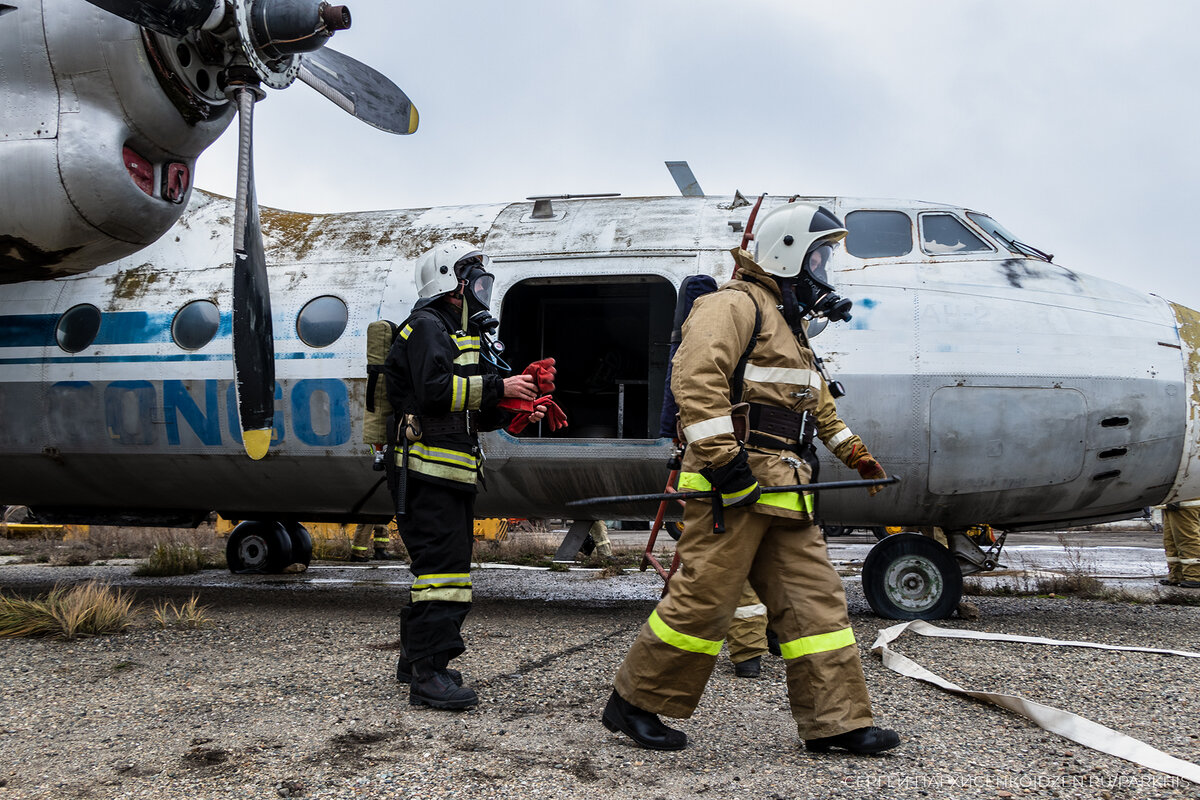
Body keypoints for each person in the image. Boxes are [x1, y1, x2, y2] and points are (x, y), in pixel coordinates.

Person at [601, 202, 900, 754]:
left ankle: (836, 722)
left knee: (817, 605)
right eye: (819, 259)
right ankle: (635, 702)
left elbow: (817, 408)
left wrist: (856, 454)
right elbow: (696, 385)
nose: (824, 273)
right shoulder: (732, 305)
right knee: (705, 601)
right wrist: (730, 469)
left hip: (786, 487)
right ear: (786, 255)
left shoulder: (793, 328)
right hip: (729, 486)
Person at [385, 240, 552, 710]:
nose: (482, 291)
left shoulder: (459, 334)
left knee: (439, 572)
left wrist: (518, 408)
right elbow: (435, 392)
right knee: (444, 575)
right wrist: (502, 385)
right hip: (426, 473)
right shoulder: (425, 327)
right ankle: (428, 675)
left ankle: (415, 659)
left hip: (451, 473)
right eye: (475, 281)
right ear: (451, 284)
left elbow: (472, 405)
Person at [1160, 500, 1200, 588]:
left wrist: (1176, 496)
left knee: (1187, 539)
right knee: (1170, 541)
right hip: (1174, 502)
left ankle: (1195, 575)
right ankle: (1177, 575)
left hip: (1184, 501)